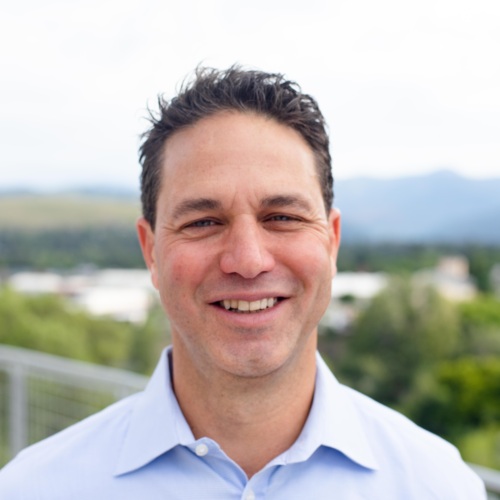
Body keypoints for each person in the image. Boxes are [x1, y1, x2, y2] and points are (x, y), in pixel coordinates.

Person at [0, 66, 486, 499]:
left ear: (332, 242)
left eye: (282, 216)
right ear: (151, 250)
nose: (248, 261)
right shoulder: (34, 489)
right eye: (203, 222)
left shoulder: (438, 485)